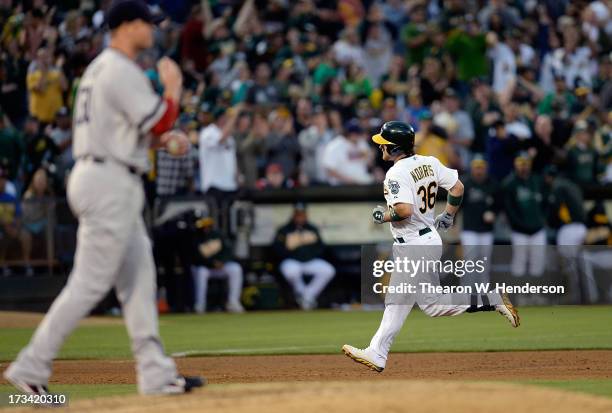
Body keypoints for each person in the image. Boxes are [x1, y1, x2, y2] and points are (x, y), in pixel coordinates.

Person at [3, 0, 203, 396]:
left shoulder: (101, 69)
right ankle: (30, 366)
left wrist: (163, 140)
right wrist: (173, 90)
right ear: (127, 26)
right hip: (108, 180)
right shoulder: (118, 68)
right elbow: (159, 118)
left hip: (109, 173)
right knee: (90, 283)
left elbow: (137, 130)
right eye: (148, 22)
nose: (153, 29)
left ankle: (156, 375)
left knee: (140, 278)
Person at [342, 121, 519, 373]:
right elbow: (457, 188)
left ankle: (377, 353)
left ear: (394, 148)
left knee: (400, 301)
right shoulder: (430, 162)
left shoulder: (395, 173)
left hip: (413, 242)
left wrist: (383, 216)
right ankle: (491, 298)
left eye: (384, 144)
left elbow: (404, 210)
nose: (380, 147)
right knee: (430, 305)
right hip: (428, 238)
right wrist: (448, 214)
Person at [273, 203, 335, 310]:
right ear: (293, 215)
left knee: (328, 270)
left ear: (306, 215)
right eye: (298, 215)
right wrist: (291, 247)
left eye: (302, 215)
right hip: (292, 261)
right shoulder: (284, 230)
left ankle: (307, 296)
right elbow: (277, 249)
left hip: (310, 261)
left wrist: (308, 252)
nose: (300, 217)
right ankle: (305, 297)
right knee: (291, 272)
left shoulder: (312, 228)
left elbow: (320, 247)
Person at [503, 153, 547, 277]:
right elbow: (508, 209)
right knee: (519, 261)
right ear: (515, 165)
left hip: (538, 229)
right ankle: (519, 294)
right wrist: (518, 224)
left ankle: (535, 294)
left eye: (526, 163)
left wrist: (543, 219)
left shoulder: (537, 180)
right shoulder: (510, 183)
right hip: (519, 231)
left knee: (538, 261)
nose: (523, 167)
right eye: (520, 163)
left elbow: (547, 203)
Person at [191, 216, 244, 313]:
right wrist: (212, 263)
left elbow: (228, 251)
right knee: (201, 272)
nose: (205, 228)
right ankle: (200, 305)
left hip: (221, 266)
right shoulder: (195, 238)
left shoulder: (219, 235)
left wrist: (222, 261)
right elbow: (195, 257)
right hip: (206, 268)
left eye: (207, 226)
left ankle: (233, 302)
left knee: (236, 269)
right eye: (203, 226)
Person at [460, 155, 498, 284]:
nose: (479, 171)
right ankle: (466, 294)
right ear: (472, 168)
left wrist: (493, 213)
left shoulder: (492, 184)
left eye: (481, 168)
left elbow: (499, 205)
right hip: (469, 229)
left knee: (484, 263)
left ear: (485, 169)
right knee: (469, 262)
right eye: (477, 168)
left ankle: (483, 296)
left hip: (486, 230)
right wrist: (453, 223)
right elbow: (457, 205)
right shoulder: (465, 183)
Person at [0, 167, 31, 276]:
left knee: (25, 235)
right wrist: (5, 225)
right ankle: (2, 264)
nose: (1, 182)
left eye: (3, 179)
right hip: (2, 229)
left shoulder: (11, 198)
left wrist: (16, 227)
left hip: (13, 228)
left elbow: (18, 215)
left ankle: (26, 264)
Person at [322, 119, 374, 185]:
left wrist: (371, 157)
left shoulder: (362, 143)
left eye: (358, 133)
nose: (357, 136)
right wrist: (348, 180)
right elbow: (329, 169)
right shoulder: (335, 145)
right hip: (341, 186)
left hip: (361, 183)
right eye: (355, 133)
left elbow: (369, 163)